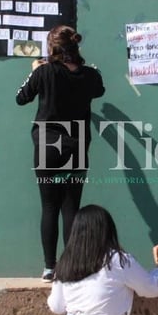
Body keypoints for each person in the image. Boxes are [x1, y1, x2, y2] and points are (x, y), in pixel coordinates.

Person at [16, 25, 106, 282]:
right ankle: (71, 267)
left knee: (49, 207)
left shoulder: (43, 71)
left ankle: (49, 267)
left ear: (51, 48)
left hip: (47, 144)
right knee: (71, 209)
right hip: (76, 144)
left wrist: (34, 72)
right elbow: (99, 90)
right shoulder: (90, 75)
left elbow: (20, 98)